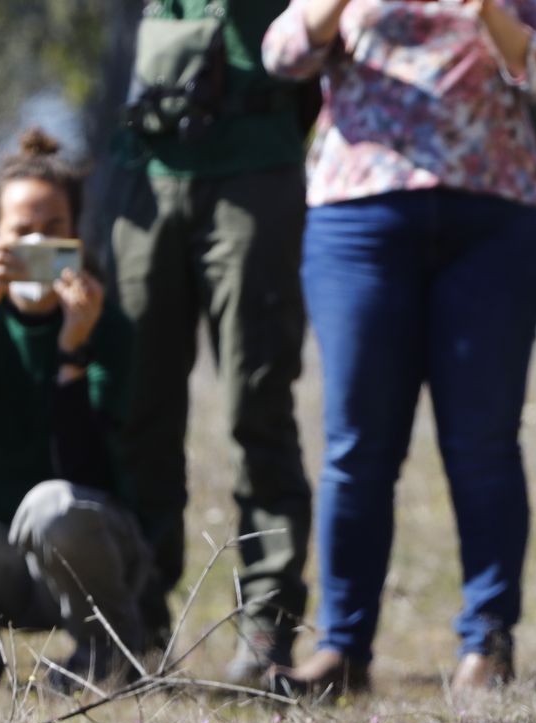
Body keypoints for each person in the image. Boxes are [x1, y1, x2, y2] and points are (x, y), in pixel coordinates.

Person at [261, 0, 536, 696]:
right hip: (360, 219)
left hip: (494, 215)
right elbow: (282, 53)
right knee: (357, 444)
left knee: (485, 442)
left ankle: (488, 643)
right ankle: (344, 649)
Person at [111, 0, 315, 684]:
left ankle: (267, 620)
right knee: (138, 398)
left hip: (253, 167)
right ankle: (135, 617)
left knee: (255, 400)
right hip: (146, 166)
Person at [0, 131, 149, 688]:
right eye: (21, 232)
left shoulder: (108, 326)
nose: (37, 242)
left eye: (52, 230)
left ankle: (108, 651)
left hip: (88, 548)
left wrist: (72, 350)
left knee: (51, 505)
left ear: (76, 236)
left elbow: (88, 469)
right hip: (5, 565)